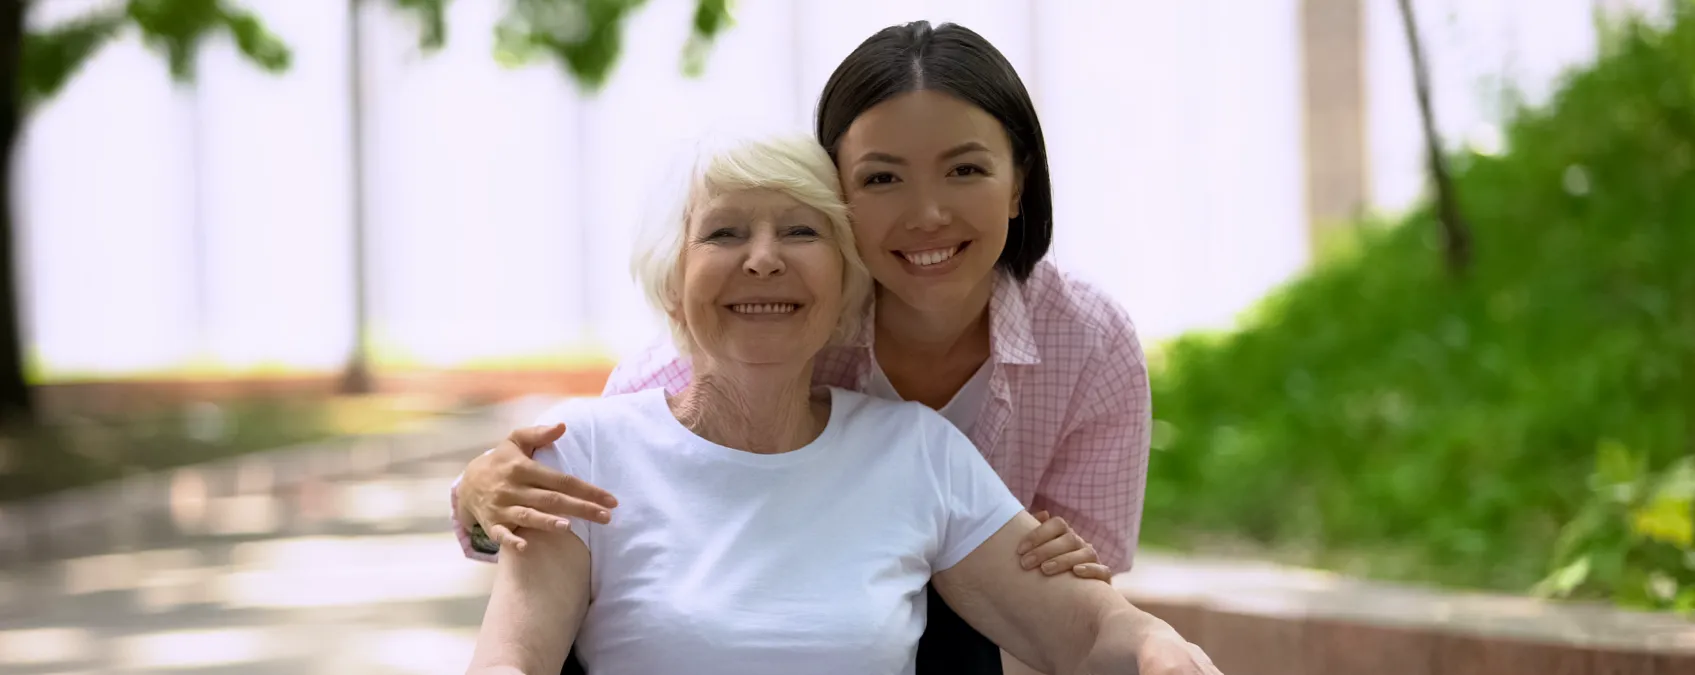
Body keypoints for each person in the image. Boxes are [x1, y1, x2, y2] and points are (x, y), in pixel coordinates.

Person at [456, 20, 1160, 675]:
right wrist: (474, 503)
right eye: (725, 233)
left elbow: (1087, 618)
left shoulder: (1026, 382)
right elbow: (533, 612)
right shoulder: (614, 419)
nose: (926, 213)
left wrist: (1149, 638)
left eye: (798, 232)